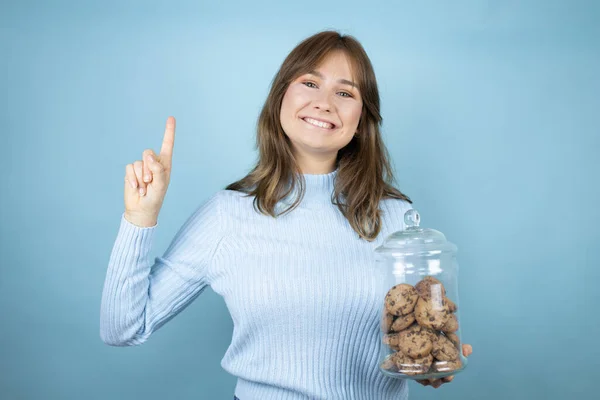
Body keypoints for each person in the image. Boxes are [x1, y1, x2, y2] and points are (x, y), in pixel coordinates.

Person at [100, 30, 473, 399]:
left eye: (344, 92)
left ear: (363, 119)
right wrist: (139, 218)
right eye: (310, 83)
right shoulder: (226, 216)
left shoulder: (398, 220)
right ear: (280, 96)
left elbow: (416, 338)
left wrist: (429, 369)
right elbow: (123, 329)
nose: (325, 103)